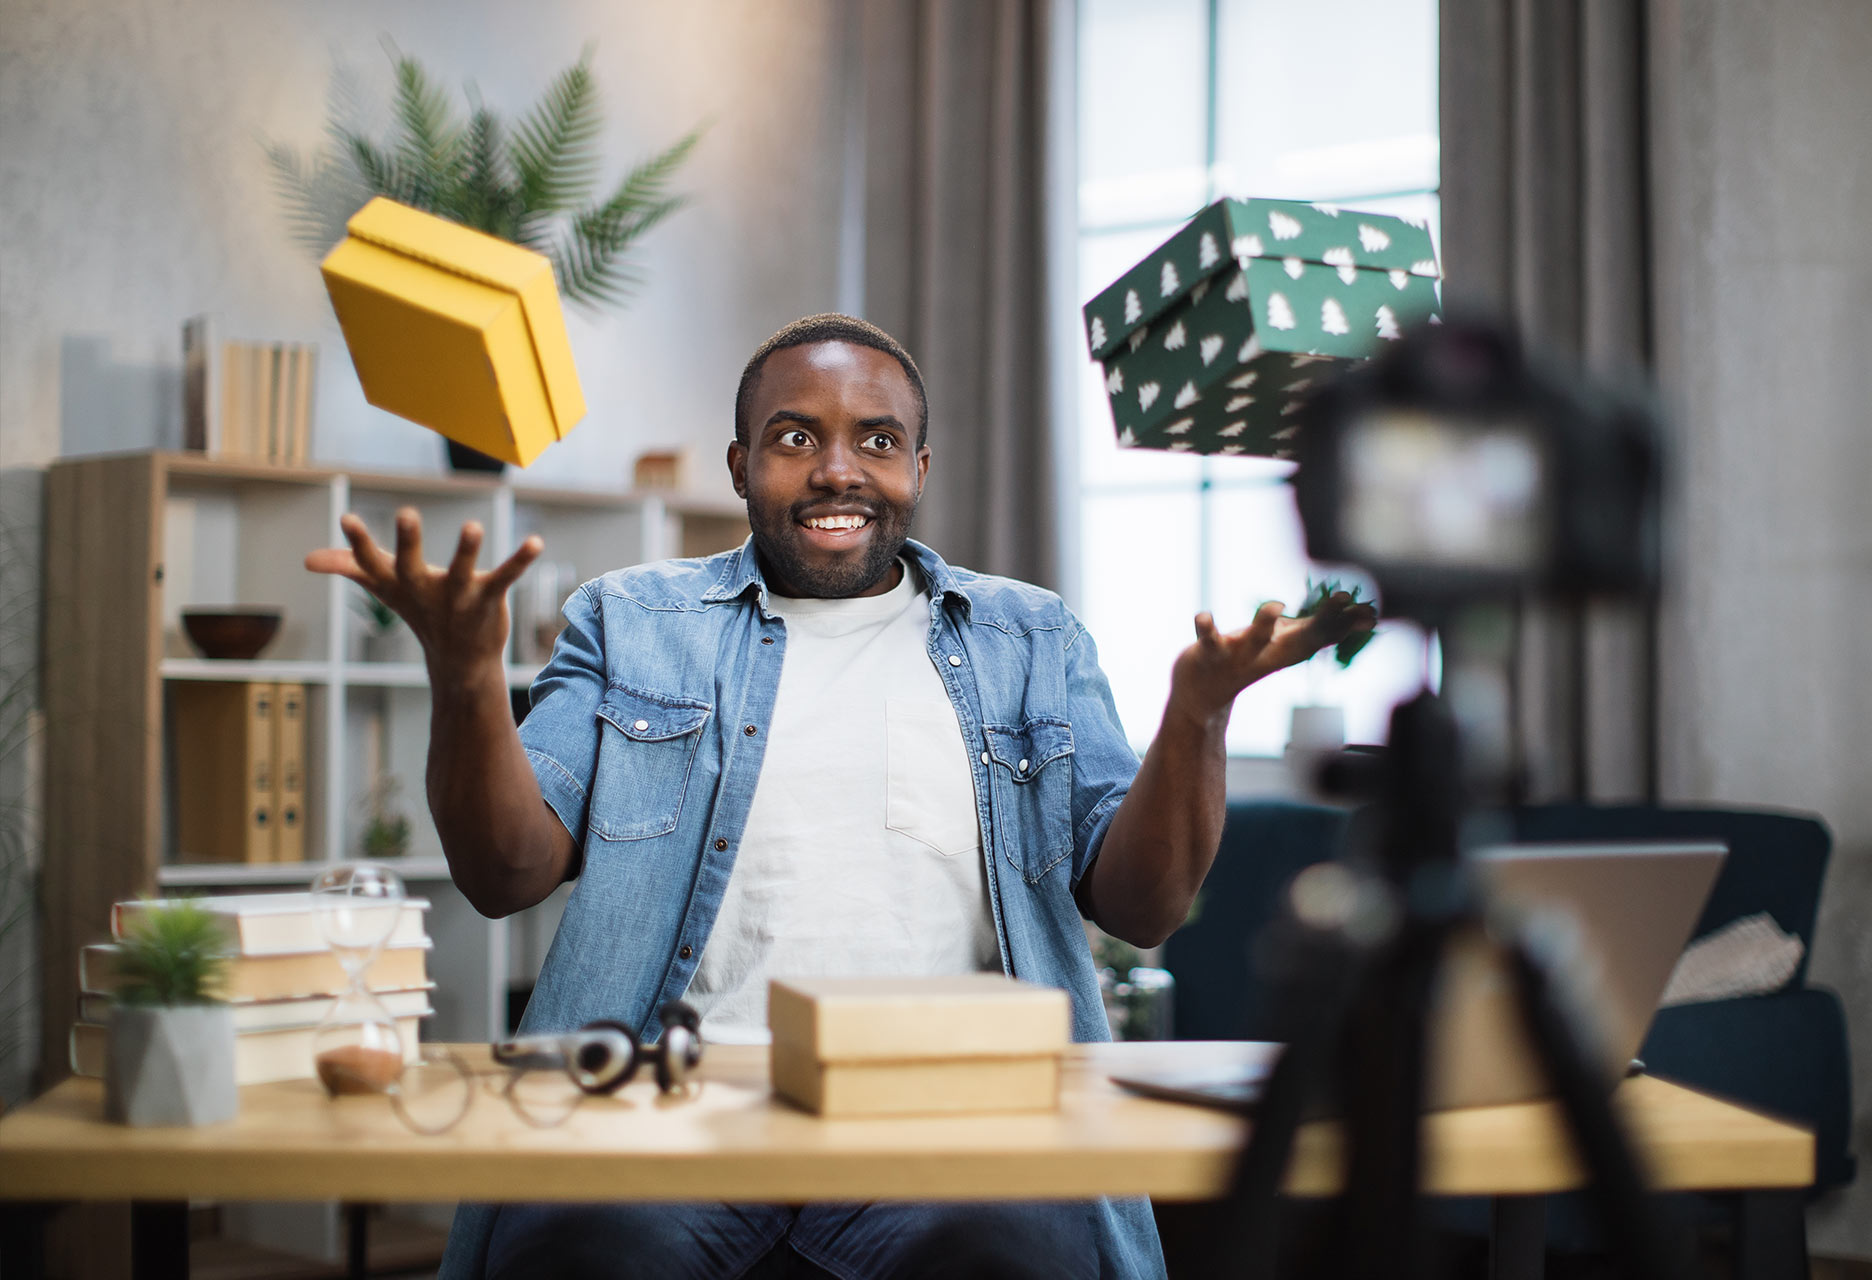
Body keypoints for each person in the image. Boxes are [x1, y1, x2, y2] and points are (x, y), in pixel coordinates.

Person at [306, 313, 1373, 1280]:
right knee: (576, 1249)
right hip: (669, 1110)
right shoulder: (629, 619)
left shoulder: (1031, 636)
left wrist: (1197, 715)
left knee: (1018, 1253)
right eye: (793, 437)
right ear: (740, 464)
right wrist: (465, 676)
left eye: (874, 439)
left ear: (917, 463)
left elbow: (1142, 907)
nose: (836, 471)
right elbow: (506, 873)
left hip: (952, 1122)